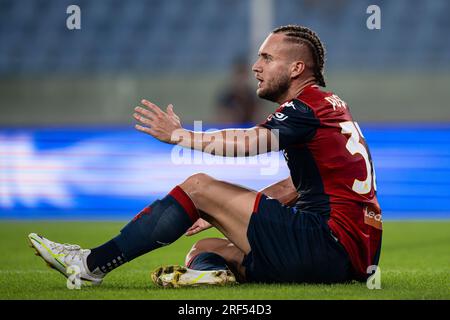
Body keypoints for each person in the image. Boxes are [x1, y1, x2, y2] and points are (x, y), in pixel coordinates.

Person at [28, 25, 382, 287]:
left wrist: (180, 135)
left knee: (197, 187)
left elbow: (249, 142)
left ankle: (90, 264)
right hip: (352, 256)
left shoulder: (305, 107)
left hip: (325, 243)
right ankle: (208, 279)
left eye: (267, 57)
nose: (256, 66)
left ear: (296, 69)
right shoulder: (330, 105)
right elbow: (295, 186)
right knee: (205, 249)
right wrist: (221, 214)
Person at [215, 57, 263, 125]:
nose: (241, 79)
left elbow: (260, 118)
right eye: (239, 74)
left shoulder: (254, 96)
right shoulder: (226, 97)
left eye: (243, 75)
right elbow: (221, 121)